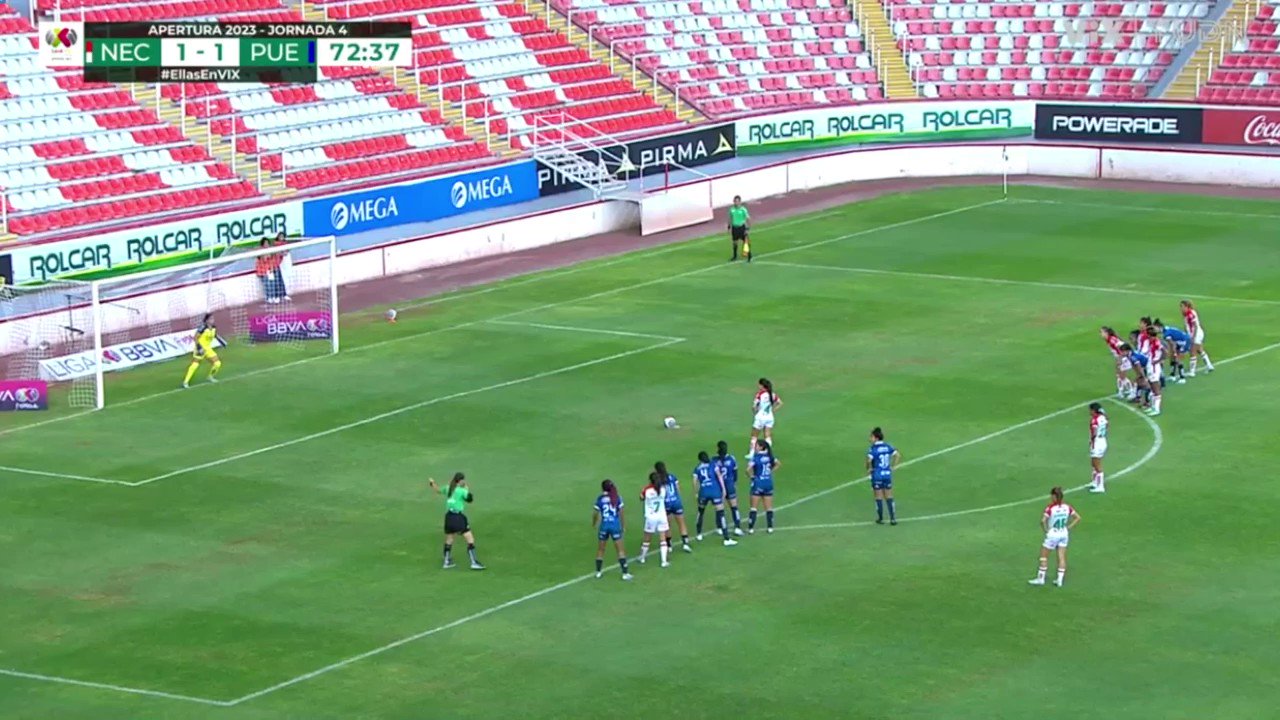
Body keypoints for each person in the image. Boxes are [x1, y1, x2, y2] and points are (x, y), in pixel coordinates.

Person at [428, 473, 484, 570]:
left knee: (449, 539)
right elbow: (470, 500)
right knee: (470, 539)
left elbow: (437, 490)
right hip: (458, 517)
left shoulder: (448, 488)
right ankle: (474, 562)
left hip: (448, 517)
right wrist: (467, 490)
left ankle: (446, 562)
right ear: (461, 481)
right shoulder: (462, 491)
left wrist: (432, 482)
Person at [1029, 486, 1080, 587]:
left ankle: (1040, 579)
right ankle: (1059, 580)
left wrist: (1046, 530)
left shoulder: (1050, 508)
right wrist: (1068, 527)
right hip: (1063, 533)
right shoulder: (1067, 507)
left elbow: (1043, 521)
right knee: (1061, 557)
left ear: (1054, 496)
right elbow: (1077, 518)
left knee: (1043, 557)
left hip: (1053, 534)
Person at [694, 451, 737, 546]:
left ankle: (699, 534)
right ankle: (726, 538)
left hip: (703, 492)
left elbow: (695, 481)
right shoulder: (713, 465)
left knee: (700, 512)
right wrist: (723, 489)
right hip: (714, 491)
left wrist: (696, 493)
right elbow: (720, 477)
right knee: (721, 513)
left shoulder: (697, 468)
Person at [592, 479, 632, 580]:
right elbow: (621, 513)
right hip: (614, 526)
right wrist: (623, 526)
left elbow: (595, 513)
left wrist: (594, 523)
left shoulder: (600, 499)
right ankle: (625, 573)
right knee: (620, 550)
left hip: (604, 525)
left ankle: (598, 572)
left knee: (601, 549)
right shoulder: (616, 497)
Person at [655, 461, 692, 553]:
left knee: (667, 525)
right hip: (676, 502)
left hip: (666, 504)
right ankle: (686, 543)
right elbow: (678, 489)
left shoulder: (658, 480)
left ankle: (669, 545)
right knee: (681, 523)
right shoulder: (672, 476)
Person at [867, 427, 901, 525]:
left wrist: (869, 469)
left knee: (878, 496)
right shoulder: (888, 446)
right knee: (889, 496)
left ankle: (881, 518)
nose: (870, 439)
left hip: (877, 475)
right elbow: (897, 455)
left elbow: (869, 460)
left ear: (876, 438)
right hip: (887, 474)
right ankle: (893, 518)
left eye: (871, 437)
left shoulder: (873, 449)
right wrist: (893, 467)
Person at [746, 438, 780, 534]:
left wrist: (752, 477)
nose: (754, 447)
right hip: (768, 483)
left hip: (758, 483)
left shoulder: (756, 457)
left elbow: (747, 470)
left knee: (754, 508)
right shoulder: (770, 456)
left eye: (756, 445)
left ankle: (751, 528)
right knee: (769, 508)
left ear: (761, 447)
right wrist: (770, 472)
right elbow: (778, 464)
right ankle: (770, 528)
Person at [637, 473, 671, 568]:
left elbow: (641, 497)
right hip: (662, 516)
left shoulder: (647, 489)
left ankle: (642, 557)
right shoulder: (663, 489)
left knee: (647, 538)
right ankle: (664, 561)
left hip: (651, 517)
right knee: (662, 538)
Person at [713, 441, 745, 536]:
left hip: (719, 486)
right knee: (734, 507)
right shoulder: (732, 459)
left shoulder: (714, 460)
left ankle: (719, 527)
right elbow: (735, 473)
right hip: (730, 485)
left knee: (719, 508)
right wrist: (734, 482)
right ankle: (737, 528)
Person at [182, 313, 223, 388]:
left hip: (208, 349)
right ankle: (186, 382)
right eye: (210, 319)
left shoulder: (213, 327)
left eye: (213, 319)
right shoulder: (202, 328)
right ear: (206, 320)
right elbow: (195, 337)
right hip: (200, 348)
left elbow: (215, 335)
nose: (212, 320)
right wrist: (199, 348)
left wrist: (222, 342)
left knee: (217, 363)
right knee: (195, 364)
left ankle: (210, 376)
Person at [747, 378, 781, 461]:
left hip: (760, 418)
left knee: (754, 436)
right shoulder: (772, 394)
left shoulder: (759, 394)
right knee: (767, 436)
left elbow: (754, 406)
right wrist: (772, 411)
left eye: (759, 385)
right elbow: (780, 403)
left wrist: (755, 413)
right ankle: (767, 452)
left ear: (762, 385)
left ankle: (751, 453)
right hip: (769, 417)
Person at [1179, 300, 1213, 377]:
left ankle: (1192, 372)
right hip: (1195, 334)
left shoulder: (1190, 314)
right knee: (1200, 350)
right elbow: (1187, 326)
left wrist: (1193, 337)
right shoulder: (1187, 314)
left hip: (1196, 334)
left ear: (1187, 307)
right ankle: (1209, 365)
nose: (1181, 308)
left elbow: (1195, 326)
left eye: (1182, 306)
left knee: (1192, 351)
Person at [1100, 326, 1134, 399]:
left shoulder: (1112, 340)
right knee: (1119, 375)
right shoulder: (1109, 339)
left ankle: (1131, 391)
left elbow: (1121, 349)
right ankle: (1121, 391)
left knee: (1122, 376)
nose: (1101, 334)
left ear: (1106, 333)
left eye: (1102, 332)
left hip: (1124, 358)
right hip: (1120, 357)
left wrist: (1120, 359)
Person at [1154, 318, 1190, 384]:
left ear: (1159, 327)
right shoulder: (1166, 329)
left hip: (1184, 341)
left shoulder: (1166, 334)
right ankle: (1172, 375)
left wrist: (1174, 352)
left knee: (1178, 359)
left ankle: (1182, 378)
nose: (1155, 330)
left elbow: (1172, 344)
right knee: (1172, 358)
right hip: (1179, 342)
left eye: (1155, 328)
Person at [1088, 402, 1108, 494]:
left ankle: (1100, 486)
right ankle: (1095, 482)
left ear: (1093, 410)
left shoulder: (1094, 420)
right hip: (1103, 440)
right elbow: (1107, 425)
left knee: (1097, 465)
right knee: (1094, 463)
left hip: (1097, 443)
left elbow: (1094, 432)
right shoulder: (1103, 417)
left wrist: (1091, 441)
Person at [255, 238, 282, 304]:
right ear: (262, 244)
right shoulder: (260, 250)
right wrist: (267, 255)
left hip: (270, 270)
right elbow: (264, 259)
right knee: (267, 285)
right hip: (262, 271)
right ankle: (269, 297)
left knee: (272, 284)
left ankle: (273, 297)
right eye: (265, 243)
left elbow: (273, 259)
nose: (267, 244)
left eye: (267, 243)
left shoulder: (271, 250)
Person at [728, 195, 750, 262]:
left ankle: (749, 255)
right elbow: (730, 218)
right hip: (735, 228)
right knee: (735, 242)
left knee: (745, 242)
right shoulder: (731, 210)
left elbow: (748, 219)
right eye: (735, 201)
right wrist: (729, 226)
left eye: (737, 201)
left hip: (742, 227)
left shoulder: (743, 209)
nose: (736, 203)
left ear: (740, 202)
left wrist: (747, 228)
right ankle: (734, 256)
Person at [273, 231, 292, 302]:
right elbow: (279, 253)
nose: (281, 238)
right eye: (280, 236)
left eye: (282, 236)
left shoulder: (285, 243)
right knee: (277, 280)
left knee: (282, 280)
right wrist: (282, 253)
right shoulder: (275, 244)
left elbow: (287, 251)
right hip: (275, 264)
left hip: (281, 264)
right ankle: (277, 296)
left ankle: (284, 295)